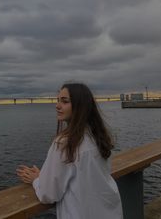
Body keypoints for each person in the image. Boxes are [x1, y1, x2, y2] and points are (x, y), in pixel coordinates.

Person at [16, 83, 123, 219]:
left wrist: (36, 180)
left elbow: (48, 194)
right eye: (58, 100)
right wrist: (44, 175)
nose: (57, 105)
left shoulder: (64, 143)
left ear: (80, 107)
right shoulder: (97, 135)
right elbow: (80, 174)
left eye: (65, 101)